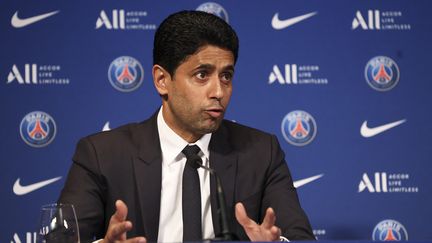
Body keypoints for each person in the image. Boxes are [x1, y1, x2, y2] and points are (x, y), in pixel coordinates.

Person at [59, 10, 314, 243]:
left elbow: (299, 237)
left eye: (226, 76)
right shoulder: (101, 155)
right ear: (162, 80)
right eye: (202, 74)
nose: (218, 91)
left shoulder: (261, 152)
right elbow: (60, 240)